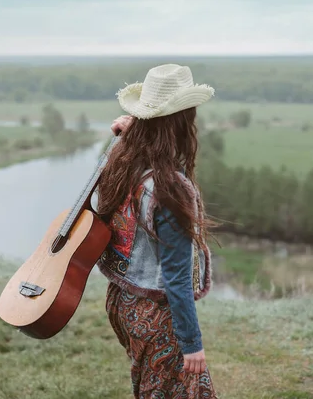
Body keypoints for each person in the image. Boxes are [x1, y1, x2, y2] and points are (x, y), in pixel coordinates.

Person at [94, 64, 218, 398]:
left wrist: (126, 135)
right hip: (157, 315)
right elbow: (175, 277)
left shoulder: (121, 164)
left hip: (123, 301)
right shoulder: (168, 189)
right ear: (182, 120)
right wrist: (191, 344)